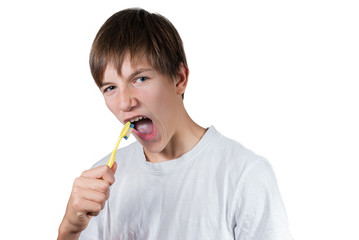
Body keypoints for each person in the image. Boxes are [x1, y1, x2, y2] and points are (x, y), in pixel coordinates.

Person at [58, 8, 292, 240]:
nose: (124, 103)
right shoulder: (102, 184)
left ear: (179, 79)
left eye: (140, 79)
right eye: (110, 88)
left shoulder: (244, 175)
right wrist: (69, 230)